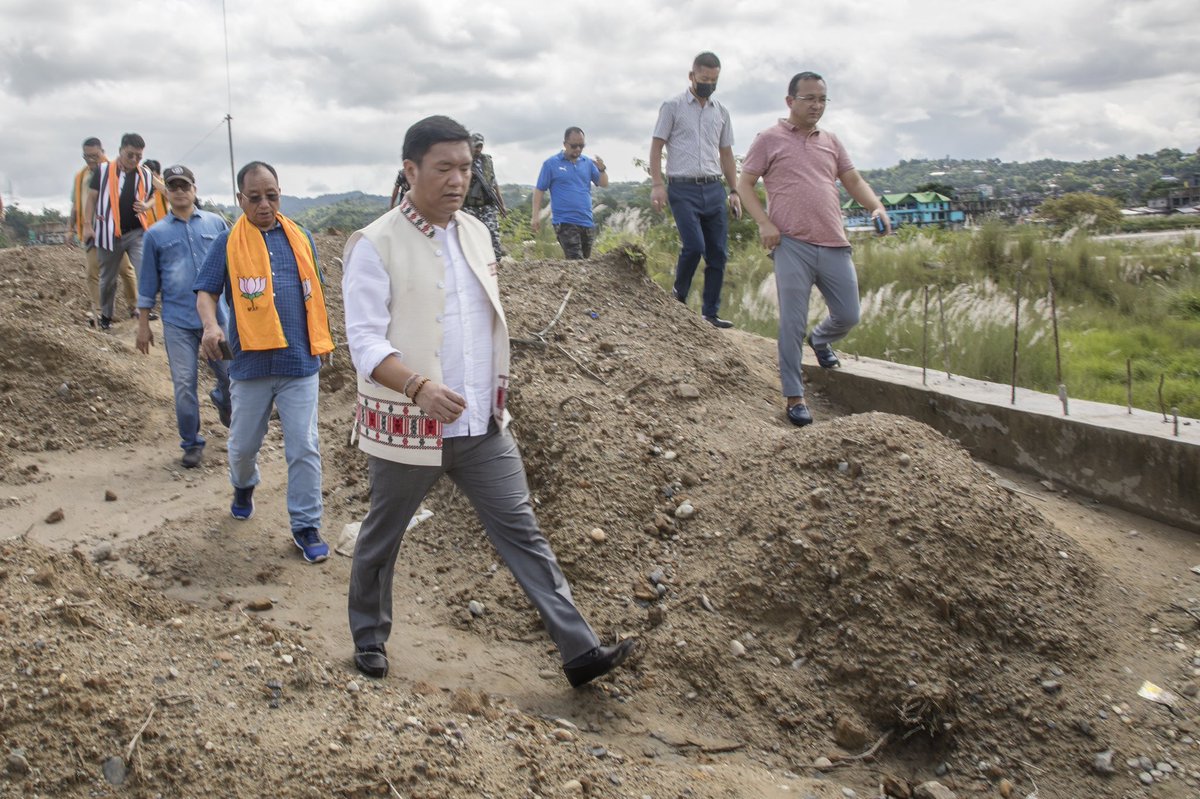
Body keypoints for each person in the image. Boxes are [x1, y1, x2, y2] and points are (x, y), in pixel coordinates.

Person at [341, 115, 636, 686]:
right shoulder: (374, 244)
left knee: (521, 530)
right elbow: (365, 342)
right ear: (410, 170)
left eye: (465, 168)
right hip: (408, 425)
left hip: (481, 424)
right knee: (383, 535)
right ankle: (369, 639)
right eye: (443, 168)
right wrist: (418, 387)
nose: (457, 180)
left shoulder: (476, 233)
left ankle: (579, 652)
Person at [194, 161, 335, 564]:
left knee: (304, 447)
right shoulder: (226, 243)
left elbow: (317, 293)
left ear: (280, 194)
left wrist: (322, 339)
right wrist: (210, 326)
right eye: (254, 197)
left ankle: (306, 526)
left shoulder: (300, 237)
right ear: (240, 199)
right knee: (242, 447)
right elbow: (205, 292)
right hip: (250, 367)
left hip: (299, 364)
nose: (264, 204)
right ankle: (243, 486)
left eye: (271, 195)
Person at [737, 71, 891, 427]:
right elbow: (745, 184)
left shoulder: (831, 141)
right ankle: (794, 396)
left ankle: (821, 340)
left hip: (834, 241)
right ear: (790, 101)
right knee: (791, 322)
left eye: (822, 99)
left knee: (849, 314)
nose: (816, 105)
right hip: (791, 244)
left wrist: (876, 207)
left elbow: (852, 179)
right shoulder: (768, 139)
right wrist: (764, 222)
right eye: (809, 98)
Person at [136, 164, 232, 468]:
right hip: (178, 322)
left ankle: (224, 402)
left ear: (194, 189)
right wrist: (142, 325)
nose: (179, 191)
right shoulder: (155, 235)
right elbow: (148, 283)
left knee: (231, 378)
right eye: (174, 186)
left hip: (218, 320)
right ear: (167, 192)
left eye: (184, 186)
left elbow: (233, 272)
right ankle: (191, 443)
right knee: (184, 383)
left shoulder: (217, 226)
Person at [649, 51, 742, 329]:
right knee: (694, 246)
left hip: (714, 187)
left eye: (714, 80)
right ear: (692, 76)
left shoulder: (721, 112)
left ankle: (710, 314)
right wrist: (657, 185)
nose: (708, 84)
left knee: (718, 253)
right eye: (704, 79)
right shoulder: (672, 106)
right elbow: (656, 147)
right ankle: (677, 298)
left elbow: (726, 153)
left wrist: (734, 190)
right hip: (682, 188)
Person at [82, 133, 157, 330]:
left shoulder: (145, 174)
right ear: (121, 150)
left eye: (138, 156)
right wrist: (88, 226)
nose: (134, 160)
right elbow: (91, 199)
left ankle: (144, 311)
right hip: (109, 233)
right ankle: (106, 315)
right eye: (130, 155)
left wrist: (146, 205)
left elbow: (153, 197)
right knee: (107, 279)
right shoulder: (103, 171)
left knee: (144, 271)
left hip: (136, 232)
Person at [70, 137, 138, 326]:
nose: (91, 159)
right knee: (93, 272)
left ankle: (135, 307)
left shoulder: (116, 171)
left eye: (95, 155)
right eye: (87, 156)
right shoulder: (81, 177)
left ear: (103, 152)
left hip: (113, 230)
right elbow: (77, 204)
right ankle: (100, 312)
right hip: (91, 232)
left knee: (125, 269)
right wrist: (72, 228)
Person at [531, 127, 608, 260]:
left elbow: (603, 183)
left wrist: (601, 169)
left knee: (585, 263)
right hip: (565, 221)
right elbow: (539, 190)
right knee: (576, 262)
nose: (578, 149)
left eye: (581, 145)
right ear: (565, 144)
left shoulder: (588, 163)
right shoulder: (551, 164)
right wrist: (535, 216)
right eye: (574, 146)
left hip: (586, 221)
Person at [461, 132, 507, 260]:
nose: (478, 149)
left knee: (493, 234)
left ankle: (497, 262)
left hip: (487, 204)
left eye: (480, 146)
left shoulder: (487, 161)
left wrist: (501, 204)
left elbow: (494, 182)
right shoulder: (463, 162)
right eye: (476, 146)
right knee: (470, 234)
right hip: (469, 205)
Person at [141, 160, 171, 227]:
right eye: (146, 176)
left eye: (153, 176)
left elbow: (169, 194)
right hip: (147, 231)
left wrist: (151, 177)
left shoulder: (165, 186)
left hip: (165, 228)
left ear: (159, 174)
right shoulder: (142, 188)